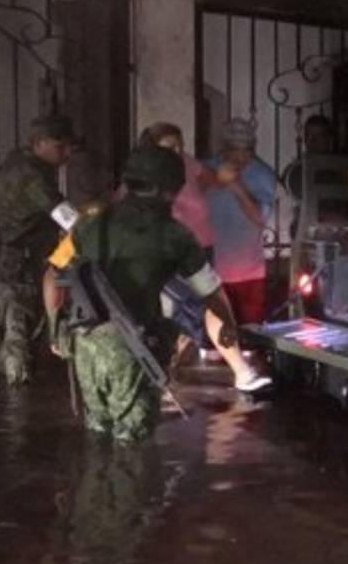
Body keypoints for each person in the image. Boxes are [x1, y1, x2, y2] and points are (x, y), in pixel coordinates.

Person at [44, 146, 240, 441]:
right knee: (132, 453)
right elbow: (211, 293)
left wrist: (54, 330)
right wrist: (229, 326)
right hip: (132, 350)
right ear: (169, 190)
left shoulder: (89, 224)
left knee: (98, 441)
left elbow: (50, 278)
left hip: (84, 347)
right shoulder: (174, 235)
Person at [140, 123, 271, 393]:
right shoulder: (145, 175)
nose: (177, 152)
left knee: (212, 303)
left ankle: (240, 372)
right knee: (181, 311)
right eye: (169, 147)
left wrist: (226, 180)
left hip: (200, 250)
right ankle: (163, 375)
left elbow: (210, 181)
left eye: (179, 145)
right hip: (167, 253)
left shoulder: (189, 164)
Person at [0, 114, 77, 385]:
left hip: (20, 253)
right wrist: (85, 225)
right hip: (22, 258)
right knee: (21, 321)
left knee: (20, 322)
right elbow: (61, 212)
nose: (67, 153)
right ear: (40, 144)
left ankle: (5, 371)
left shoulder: (23, 163)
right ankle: (16, 388)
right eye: (60, 147)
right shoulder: (30, 173)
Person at [205, 117, 277, 326]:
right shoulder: (207, 168)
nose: (240, 156)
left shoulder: (262, 174)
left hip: (249, 272)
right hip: (212, 272)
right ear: (224, 149)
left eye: (246, 150)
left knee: (251, 335)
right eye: (234, 149)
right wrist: (217, 180)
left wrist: (236, 186)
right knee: (215, 336)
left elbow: (259, 218)